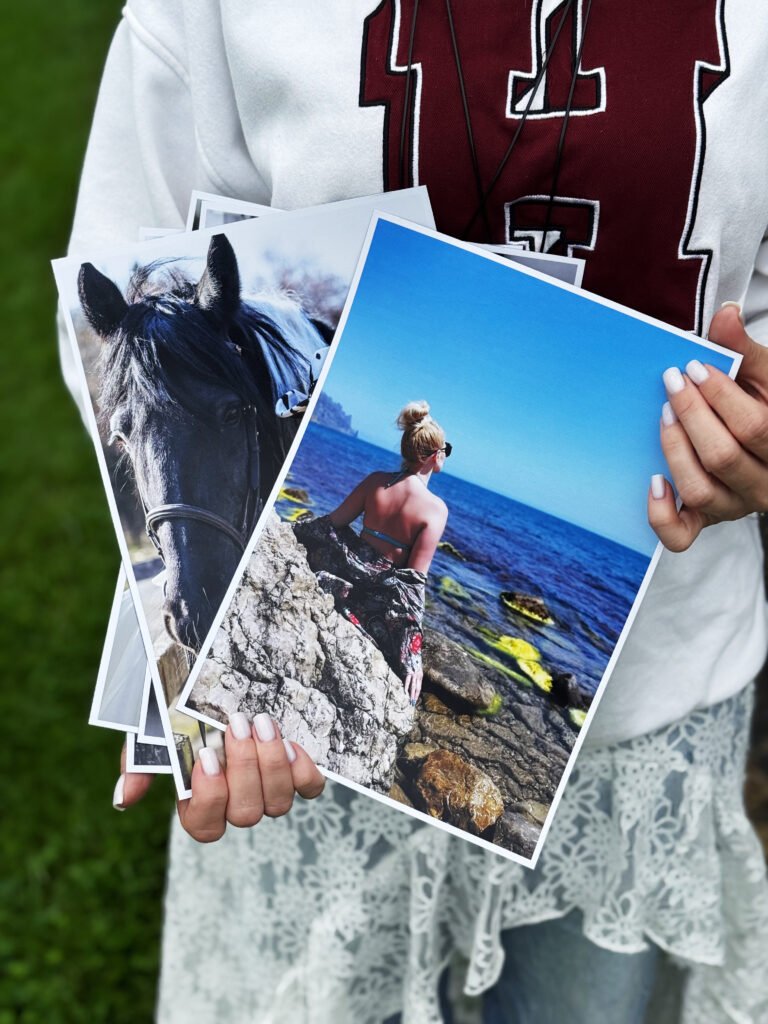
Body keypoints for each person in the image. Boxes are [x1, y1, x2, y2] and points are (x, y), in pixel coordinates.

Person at [60, 4, 768, 1022]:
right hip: (302, 769)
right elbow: (115, 310)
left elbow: (390, 564)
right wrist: (244, 614)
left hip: (646, 716)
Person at [295, 400, 449, 704]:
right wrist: (412, 654)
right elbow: (413, 582)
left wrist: (295, 530)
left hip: (343, 566)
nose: (446, 455)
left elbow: (333, 523)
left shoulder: (376, 481)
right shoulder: (435, 510)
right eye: (446, 449)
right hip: (374, 592)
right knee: (389, 615)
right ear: (433, 456)